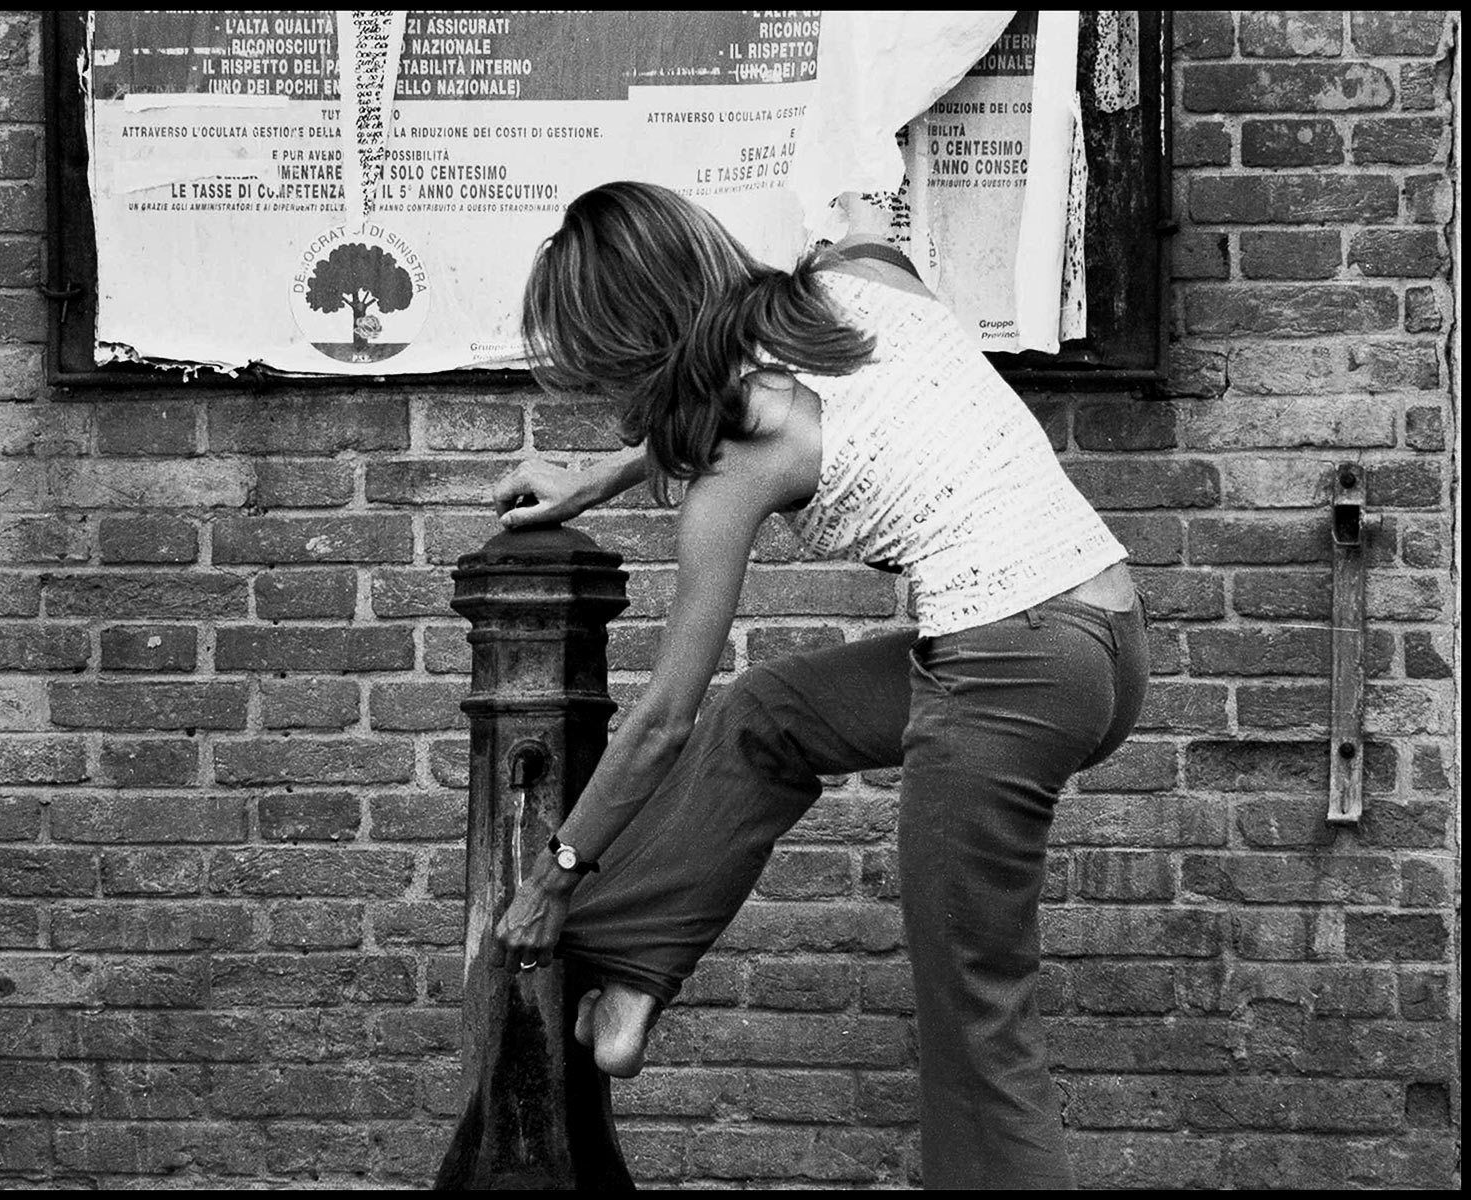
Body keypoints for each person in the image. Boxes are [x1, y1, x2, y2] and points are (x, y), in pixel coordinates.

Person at [489, 180, 1148, 1190]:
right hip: (1100, 642)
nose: (595, 392)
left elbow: (662, 718)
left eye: (596, 371)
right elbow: (747, 361)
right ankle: (628, 979)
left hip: (1005, 671)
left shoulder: (739, 472)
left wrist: (556, 874)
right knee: (769, 717)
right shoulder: (855, 276)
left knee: (977, 1022)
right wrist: (596, 481)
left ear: (635, 348)